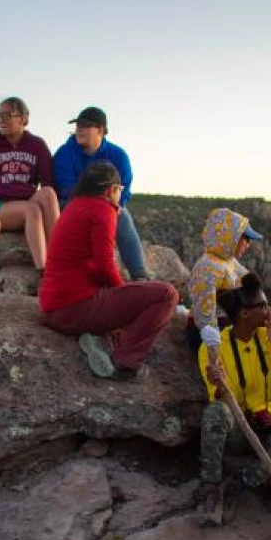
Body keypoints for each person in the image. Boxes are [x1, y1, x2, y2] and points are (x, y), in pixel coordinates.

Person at [39, 162, 178, 382]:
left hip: (54, 309)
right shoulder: (103, 210)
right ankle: (127, 363)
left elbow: (91, 266)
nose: (120, 194)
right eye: (120, 189)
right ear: (111, 189)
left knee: (122, 295)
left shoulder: (74, 206)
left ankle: (100, 340)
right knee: (167, 294)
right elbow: (104, 265)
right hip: (76, 308)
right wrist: (124, 294)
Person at [195, 273, 271, 527]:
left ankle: (238, 484)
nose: (270, 311)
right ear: (245, 313)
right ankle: (211, 487)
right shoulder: (213, 349)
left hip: (270, 426)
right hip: (239, 428)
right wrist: (217, 381)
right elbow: (222, 398)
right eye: (263, 306)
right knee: (216, 411)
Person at [51, 106, 149, 280]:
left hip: (109, 204)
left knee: (123, 217)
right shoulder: (64, 153)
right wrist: (97, 204)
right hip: (72, 204)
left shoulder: (118, 155)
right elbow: (65, 187)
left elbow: (124, 187)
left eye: (86, 126)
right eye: (78, 125)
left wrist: (115, 205)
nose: (79, 129)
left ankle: (139, 274)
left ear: (101, 130)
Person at [0, 96, 59, 272]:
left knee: (48, 192)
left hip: (27, 200)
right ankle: (44, 271)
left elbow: (48, 183)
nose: (1, 120)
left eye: (7, 115)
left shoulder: (37, 145)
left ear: (22, 119)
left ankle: (60, 256)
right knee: (31, 210)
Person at [185, 208, 265, 354]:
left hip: (226, 323)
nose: (248, 244)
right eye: (245, 238)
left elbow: (248, 280)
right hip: (207, 331)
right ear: (231, 237)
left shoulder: (228, 261)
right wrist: (213, 345)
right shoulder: (208, 267)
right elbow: (205, 313)